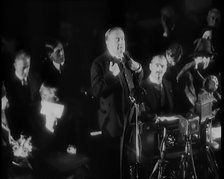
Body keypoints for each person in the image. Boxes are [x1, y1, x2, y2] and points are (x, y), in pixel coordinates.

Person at [90, 27, 143, 179]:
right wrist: (110, 76)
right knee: (116, 164)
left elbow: (137, 81)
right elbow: (96, 91)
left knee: (129, 159)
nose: (121, 42)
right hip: (113, 122)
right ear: (107, 43)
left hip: (131, 116)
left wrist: (138, 68)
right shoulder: (99, 63)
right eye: (117, 39)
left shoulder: (127, 57)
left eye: (123, 39)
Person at [30, 80, 89, 179]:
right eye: (54, 97)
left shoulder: (63, 110)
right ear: (44, 97)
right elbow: (35, 146)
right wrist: (49, 128)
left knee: (85, 167)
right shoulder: (33, 113)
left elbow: (70, 135)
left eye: (58, 96)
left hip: (63, 154)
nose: (58, 99)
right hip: (44, 158)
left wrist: (71, 146)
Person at [4, 50, 41, 139]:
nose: (25, 71)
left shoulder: (36, 79)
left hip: (34, 128)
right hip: (16, 129)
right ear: (15, 65)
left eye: (28, 67)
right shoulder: (7, 85)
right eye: (23, 67)